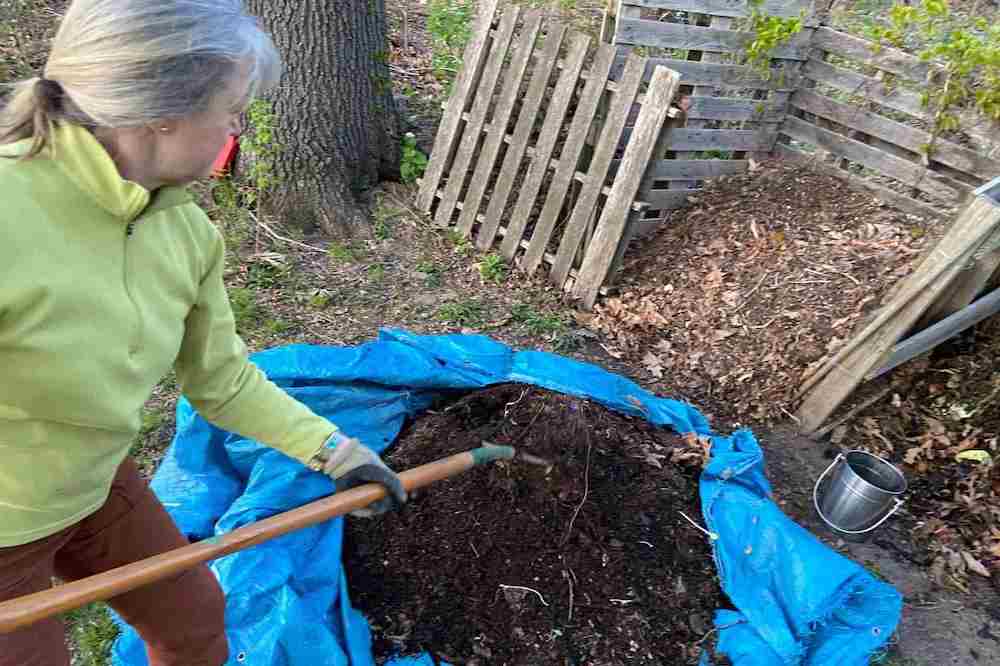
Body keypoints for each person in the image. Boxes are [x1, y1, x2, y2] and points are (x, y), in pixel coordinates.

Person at [0, 1, 406, 665]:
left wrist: (334, 451)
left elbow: (221, 379)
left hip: (92, 483)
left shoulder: (185, 231)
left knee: (195, 623)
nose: (236, 125)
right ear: (165, 109)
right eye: (230, 105)